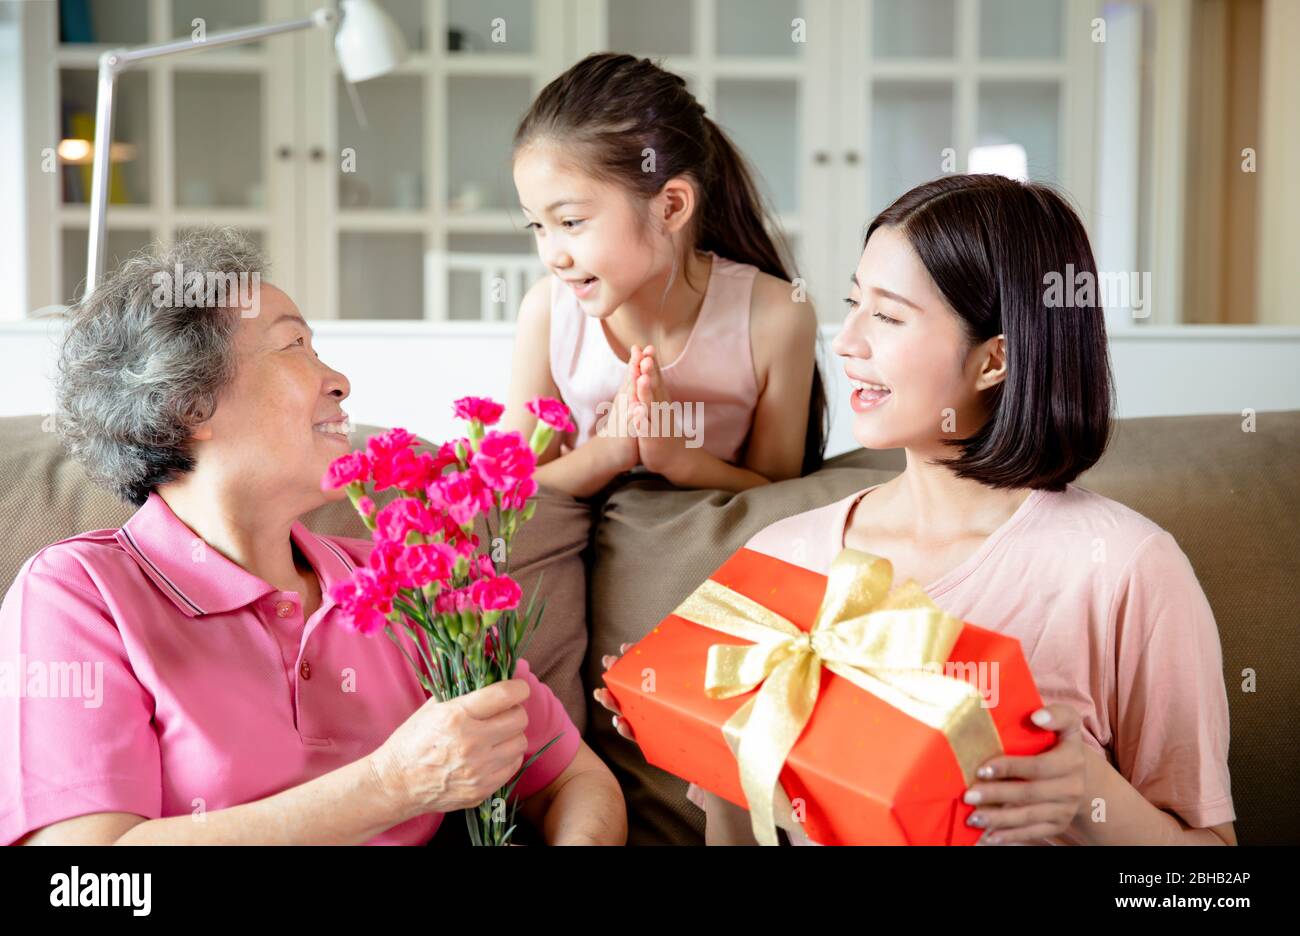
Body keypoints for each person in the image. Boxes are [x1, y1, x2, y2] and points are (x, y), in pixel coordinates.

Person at [595, 175, 1236, 846]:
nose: (846, 342)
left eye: (889, 316)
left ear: (995, 361)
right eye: (853, 303)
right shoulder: (785, 559)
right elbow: (739, 829)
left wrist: (1089, 794)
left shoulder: (1124, 569)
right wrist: (694, 731)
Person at [1, 229, 626, 845]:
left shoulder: (401, 587)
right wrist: (393, 783)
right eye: (294, 345)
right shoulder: (80, 594)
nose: (339, 380)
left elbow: (568, 777)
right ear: (189, 404)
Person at [502, 53, 828, 497]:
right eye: (537, 226)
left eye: (571, 222)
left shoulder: (776, 316)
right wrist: (609, 453)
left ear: (670, 206)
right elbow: (507, 490)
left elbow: (779, 492)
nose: (552, 256)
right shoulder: (548, 311)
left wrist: (682, 461)